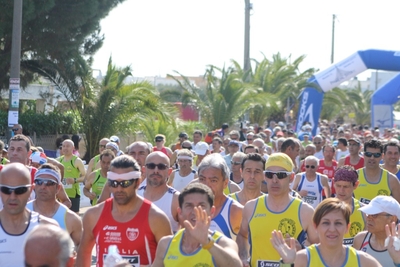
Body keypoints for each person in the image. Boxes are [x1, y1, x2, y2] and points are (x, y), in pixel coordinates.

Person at [76, 155, 172, 267]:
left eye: (125, 183)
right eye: (114, 183)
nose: (119, 189)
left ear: (137, 182)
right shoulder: (93, 215)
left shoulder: (156, 218)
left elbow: (170, 260)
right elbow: (84, 253)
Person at [236, 153, 319, 267]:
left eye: (281, 175)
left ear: (291, 177)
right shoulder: (251, 207)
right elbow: (242, 235)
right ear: (265, 177)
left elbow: (320, 247)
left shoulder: (305, 211)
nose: (274, 180)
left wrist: (303, 250)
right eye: (270, 175)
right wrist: (244, 257)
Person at [152, 183, 242, 267]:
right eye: (189, 206)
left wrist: (207, 243)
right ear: (180, 212)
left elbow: (237, 265)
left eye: (201, 206)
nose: (195, 211)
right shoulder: (166, 244)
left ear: (212, 212)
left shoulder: (223, 243)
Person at [272, 198, 381, 267]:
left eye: (338, 223)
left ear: (347, 227)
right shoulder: (302, 260)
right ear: (315, 226)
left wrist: (398, 261)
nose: (332, 229)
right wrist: (287, 263)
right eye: (326, 223)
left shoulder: (363, 261)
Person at [0, 163, 58, 266]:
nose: (13, 197)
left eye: (20, 190)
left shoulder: (48, 228)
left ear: (31, 190)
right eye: (6, 190)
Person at [5, 134, 71, 208]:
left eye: (19, 149)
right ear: (8, 152)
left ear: (29, 153)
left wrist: (48, 215)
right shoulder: (1, 172)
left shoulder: (40, 175)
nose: (14, 153)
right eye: (12, 149)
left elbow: (66, 201)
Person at [26, 163, 82, 247]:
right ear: (34, 185)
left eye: (49, 183)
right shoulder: (22, 212)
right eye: (39, 182)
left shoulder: (71, 219)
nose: (43, 186)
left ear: (58, 188)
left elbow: (83, 251)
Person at [198, 153, 243, 240]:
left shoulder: (236, 211)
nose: (206, 185)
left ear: (225, 183)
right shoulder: (190, 208)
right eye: (202, 179)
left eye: (213, 180)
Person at [137, 151, 180, 232]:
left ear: (169, 172)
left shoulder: (176, 199)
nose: (156, 170)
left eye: (161, 167)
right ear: (144, 170)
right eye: (151, 166)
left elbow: (186, 234)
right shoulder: (134, 196)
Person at [353, 195, 400, 266]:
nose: (368, 218)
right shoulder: (360, 239)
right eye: (368, 213)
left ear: (392, 219)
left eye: (374, 215)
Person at [353, 139, 400, 204]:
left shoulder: (392, 180)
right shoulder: (354, 176)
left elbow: (398, 209)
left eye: (376, 155)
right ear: (364, 155)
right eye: (368, 154)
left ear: (382, 156)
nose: (372, 158)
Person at [333, 165, 366, 245]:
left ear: (356, 185)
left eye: (346, 186)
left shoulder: (364, 211)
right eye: (338, 185)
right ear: (333, 183)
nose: (341, 190)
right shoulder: (323, 209)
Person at [58, 139, 86, 213]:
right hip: (60, 194)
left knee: (74, 216)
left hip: (73, 194)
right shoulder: (58, 161)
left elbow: (85, 176)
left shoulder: (76, 161)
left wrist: (75, 180)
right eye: (63, 146)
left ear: (73, 148)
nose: (65, 148)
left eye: (68, 146)